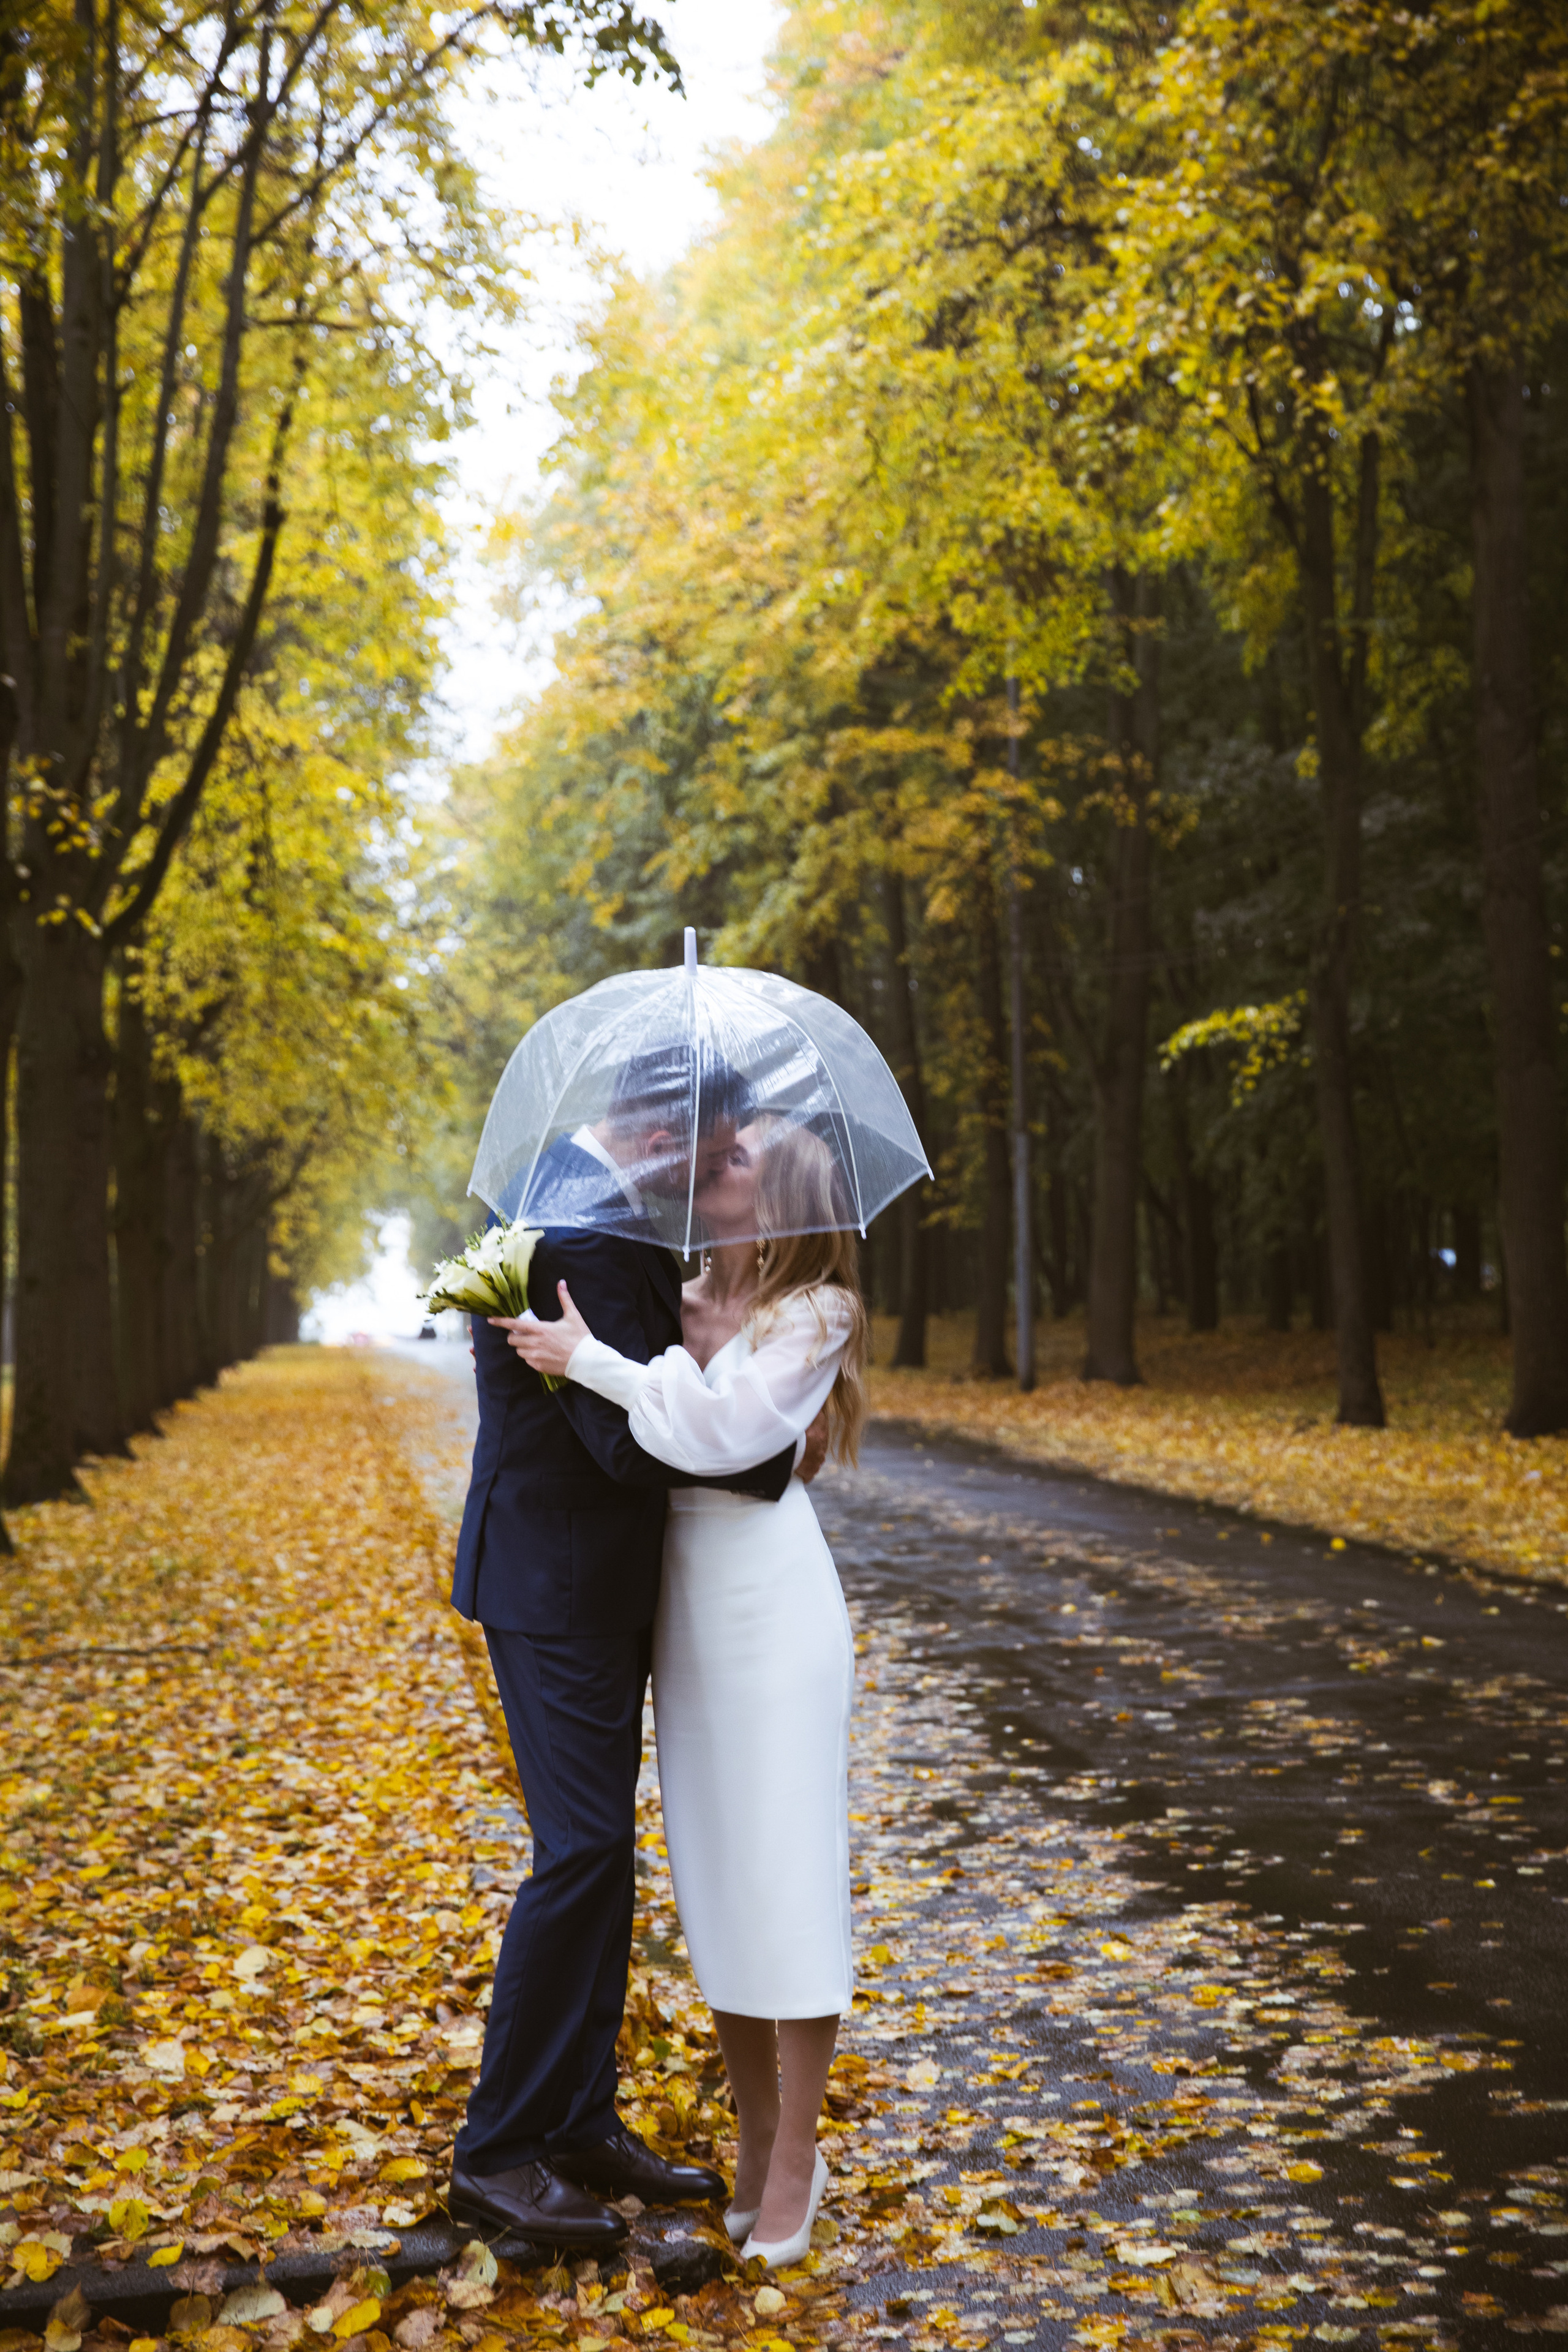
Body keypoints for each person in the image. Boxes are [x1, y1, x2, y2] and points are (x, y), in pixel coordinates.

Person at [448, 1049, 827, 2253]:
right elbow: (620, 1449)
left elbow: (641, 1409)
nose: (720, 1169)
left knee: (600, 1857)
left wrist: (727, 1392)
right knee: (580, 1853)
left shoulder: (593, 1210)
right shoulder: (581, 1231)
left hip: (591, 1584)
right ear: (662, 1131)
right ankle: (501, 2154)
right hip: (555, 1583)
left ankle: (577, 2124)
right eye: (715, 1148)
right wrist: (762, 1446)